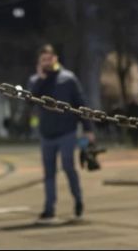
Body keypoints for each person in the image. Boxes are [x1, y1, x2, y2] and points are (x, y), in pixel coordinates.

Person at [28, 44, 94, 222]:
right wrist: (42, 78)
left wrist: (88, 129)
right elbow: (30, 101)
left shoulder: (68, 78)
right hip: (46, 133)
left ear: (55, 58)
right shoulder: (35, 80)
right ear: (39, 62)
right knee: (49, 173)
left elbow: (80, 102)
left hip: (67, 131)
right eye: (43, 60)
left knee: (68, 167)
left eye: (49, 58)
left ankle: (78, 200)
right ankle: (49, 208)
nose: (47, 62)